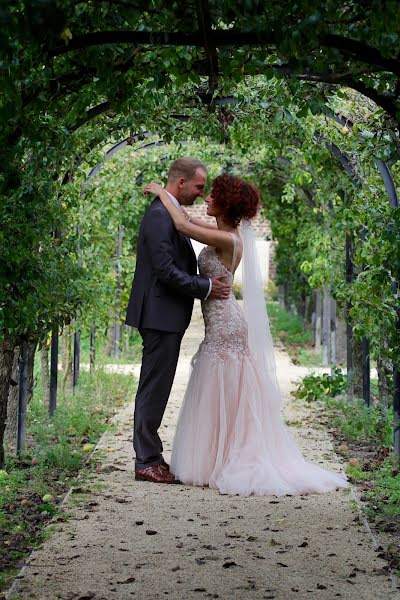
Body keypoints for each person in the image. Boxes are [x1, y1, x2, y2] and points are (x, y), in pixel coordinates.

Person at [143, 174, 348, 496]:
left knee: (223, 385)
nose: (207, 199)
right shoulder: (223, 232)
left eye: (213, 196)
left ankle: (232, 457)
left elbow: (182, 227)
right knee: (222, 387)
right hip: (222, 319)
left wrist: (158, 191)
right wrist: (169, 195)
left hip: (226, 322)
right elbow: (184, 217)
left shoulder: (231, 240)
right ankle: (219, 456)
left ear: (225, 204)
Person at [125, 158, 231, 484]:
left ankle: (151, 456)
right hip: (158, 316)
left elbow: (184, 231)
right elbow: (166, 271)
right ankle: (146, 460)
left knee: (158, 386)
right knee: (153, 387)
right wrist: (208, 286)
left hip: (165, 316)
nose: (202, 194)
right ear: (181, 182)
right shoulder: (159, 215)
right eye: (199, 187)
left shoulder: (169, 211)